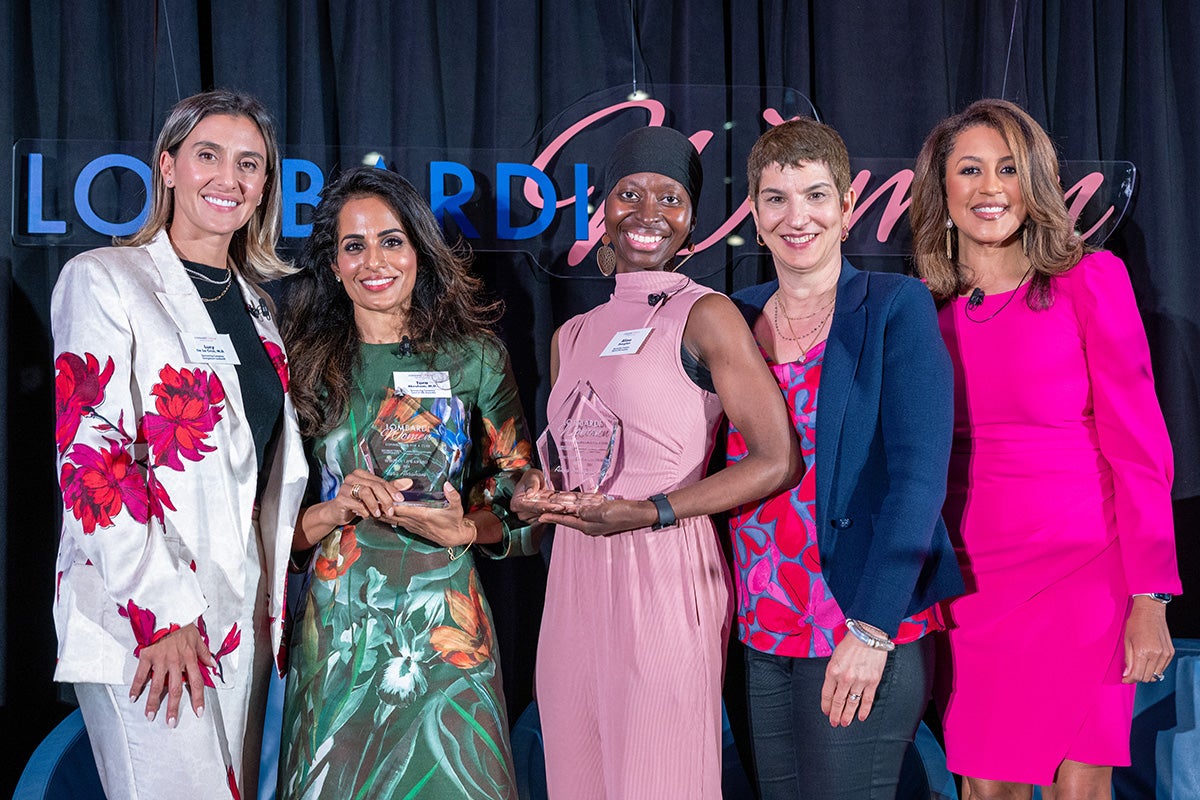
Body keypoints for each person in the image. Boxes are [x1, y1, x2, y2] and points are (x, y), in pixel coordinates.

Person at [511, 126, 801, 800]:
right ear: (602, 212)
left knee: (659, 782)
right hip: (575, 583)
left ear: (692, 221)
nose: (648, 213)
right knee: (577, 782)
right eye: (629, 194)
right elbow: (570, 461)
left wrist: (655, 509)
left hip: (666, 570)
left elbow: (776, 458)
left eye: (669, 198)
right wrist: (537, 492)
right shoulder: (571, 335)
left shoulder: (707, 315)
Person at [909, 98, 1181, 799]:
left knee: (1081, 784)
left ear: (1034, 185)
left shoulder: (1090, 282)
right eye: (970, 170)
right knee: (984, 788)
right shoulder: (918, 313)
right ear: (942, 190)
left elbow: (1140, 446)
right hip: (974, 586)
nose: (991, 188)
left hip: (1087, 575)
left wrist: (1150, 595)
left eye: (1008, 169)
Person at [51, 89, 307, 798]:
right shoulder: (104, 279)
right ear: (167, 167)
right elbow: (92, 459)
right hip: (149, 624)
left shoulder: (256, 308)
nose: (229, 178)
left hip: (240, 621)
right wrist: (161, 616)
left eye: (249, 164)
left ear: (264, 187)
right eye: (208, 155)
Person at [276, 166, 538, 799]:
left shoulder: (475, 357)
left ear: (420, 249)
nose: (375, 261)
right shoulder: (298, 361)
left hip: (445, 627)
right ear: (332, 264)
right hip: (341, 632)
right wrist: (332, 511)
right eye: (354, 245)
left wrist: (466, 527)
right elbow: (259, 519)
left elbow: (521, 495)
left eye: (392, 241)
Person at [723, 117, 964, 799]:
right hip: (760, 630)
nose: (797, 217)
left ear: (848, 207)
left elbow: (918, 482)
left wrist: (874, 627)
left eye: (816, 195)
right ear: (754, 213)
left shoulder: (895, 305)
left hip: (855, 620)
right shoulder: (730, 319)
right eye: (776, 198)